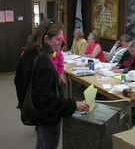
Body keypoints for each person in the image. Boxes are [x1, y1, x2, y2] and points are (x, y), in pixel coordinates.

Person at [14, 19, 89, 149]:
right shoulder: (43, 61)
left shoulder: (27, 53)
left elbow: (19, 81)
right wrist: (73, 104)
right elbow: (48, 100)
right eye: (58, 40)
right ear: (46, 38)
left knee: (41, 143)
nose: (61, 44)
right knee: (47, 144)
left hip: (36, 111)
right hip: (47, 116)